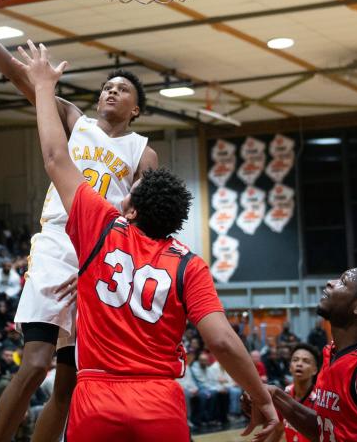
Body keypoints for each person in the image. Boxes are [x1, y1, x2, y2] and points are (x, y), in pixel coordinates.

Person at [19, 40, 276, 441]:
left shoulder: (99, 238)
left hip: (98, 397)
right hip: (158, 400)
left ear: (132, 208)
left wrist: (41, 86)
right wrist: (261, 396)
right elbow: (223, 341)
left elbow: (55, 158)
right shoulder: (188, 263)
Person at [0, 0, 159, 442]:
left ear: (136, 109)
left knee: (68, 383)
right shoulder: (73, 119)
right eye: (108, 85)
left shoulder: (143, 151)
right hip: (57, 246)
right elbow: (14, 71)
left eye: (122, 89)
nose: (111, 90)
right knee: (34, 364)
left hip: (101, 257)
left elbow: (143, 210)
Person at [261, 266, 357, 442]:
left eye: (343, 282)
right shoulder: (331, 352)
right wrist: (276, 396)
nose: (330, 283)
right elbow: (325, 430)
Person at [266, 344, 320, 442]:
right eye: (295, 360)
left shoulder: (320, 400)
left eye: (306, 361)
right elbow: (278, 429)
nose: (299, 364)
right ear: (290, 367)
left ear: (315, 370)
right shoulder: (284, 395)